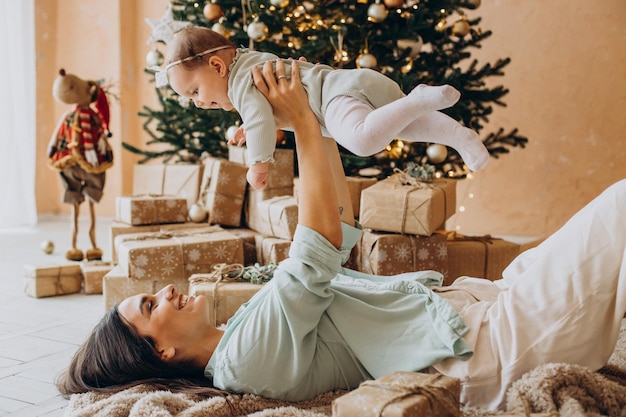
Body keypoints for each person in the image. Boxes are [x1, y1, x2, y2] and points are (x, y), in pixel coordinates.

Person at [57, 59, 626, 412]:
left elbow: (335, 223)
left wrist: (315, 121)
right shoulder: (248, 357)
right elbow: (319, 240)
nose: (171, 291)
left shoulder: (241, 334)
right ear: (163, 351)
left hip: (487, 307)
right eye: (153, 304)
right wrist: (301, 121)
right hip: (496, 347)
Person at [158, 26, 490, 190]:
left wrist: (258, 163)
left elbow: (259, 116)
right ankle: (460, 137)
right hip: (353, 85)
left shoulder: (242, 82)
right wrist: (250, 123)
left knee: (363, 141)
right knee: (411, 127)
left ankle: (416, 99)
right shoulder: (248, 65)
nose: (199, 103)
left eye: (195, 91)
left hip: (333, 98)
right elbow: (261, 112)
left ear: (217, 67)